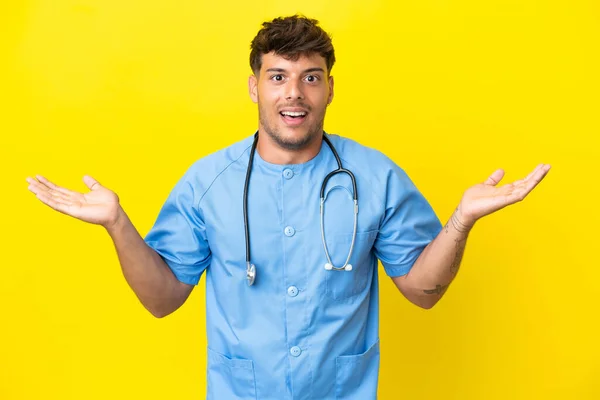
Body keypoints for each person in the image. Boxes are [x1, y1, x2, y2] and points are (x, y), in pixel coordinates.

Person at [26, 14, 550, 400]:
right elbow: (163, 299)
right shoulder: (208, 182)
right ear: (255, 86)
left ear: (329, 89)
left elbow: (421, 292)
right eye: (278, 77)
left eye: (311, 77)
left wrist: (461, 221)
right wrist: (117, 224)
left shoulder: (375, 177)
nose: (293, 94)